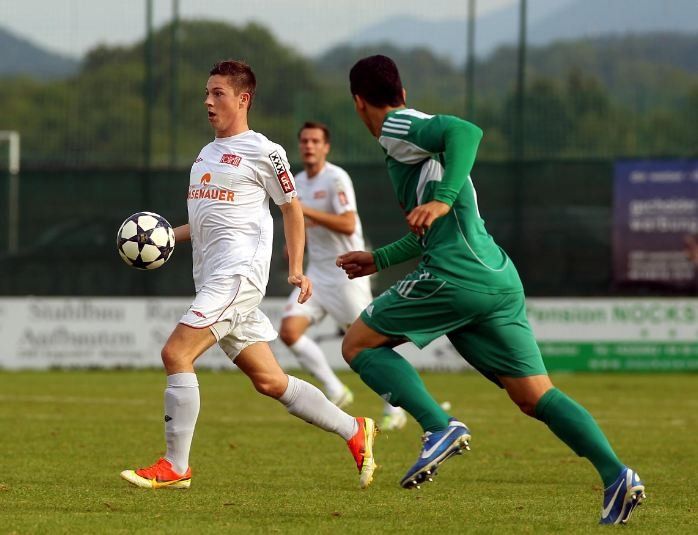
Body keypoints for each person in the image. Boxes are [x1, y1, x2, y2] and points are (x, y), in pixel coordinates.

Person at [336, 54, 645, 524]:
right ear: (402, 89)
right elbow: (433, 229)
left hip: (455, 275)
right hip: (495, 277)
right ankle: (616, 475)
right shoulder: (416, 144)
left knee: (358, 344)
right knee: (535, 395)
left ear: (359, 102)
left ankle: (438, 426)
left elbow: (467, 131)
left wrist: (441, 201)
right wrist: (379, 259)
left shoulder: (397, 126)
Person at [120, 60, 377, 491]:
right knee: (270, 381)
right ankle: (354, 429)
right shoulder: (205, 155)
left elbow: (291, 209)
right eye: (206, 93)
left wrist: (295, 269)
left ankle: (176, 466)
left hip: (237, 277)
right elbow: (204, 223)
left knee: (176, 353)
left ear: (243, 99)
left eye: (217, 93)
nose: (208, 101)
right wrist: (160, 237)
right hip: (214, 280)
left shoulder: (264, 151)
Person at [279, 121, 407, 430]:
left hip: (346, 274)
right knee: (289, 331)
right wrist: (293, 244)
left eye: (315, 141)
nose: (309, 146)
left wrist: (304, 210)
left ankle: (396, 407)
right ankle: (336, 390)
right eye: (304, 141)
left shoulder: (336, 178)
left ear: (326, 147)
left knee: (370, 343)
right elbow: (300, 222)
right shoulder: (297, 182)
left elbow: (348, 224)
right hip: (316, 274)